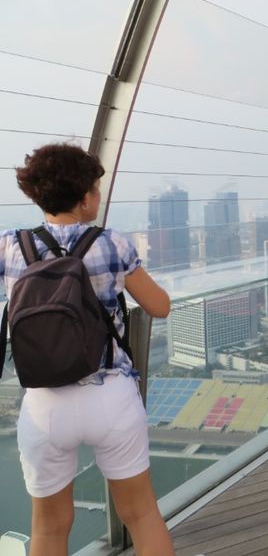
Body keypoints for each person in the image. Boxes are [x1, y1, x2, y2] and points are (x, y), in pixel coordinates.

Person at [2, 143, 173, 556]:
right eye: (96, 189)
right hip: (109, 394)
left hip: (44, 403)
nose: (99, 196)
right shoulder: (112, 244)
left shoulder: (10, 245)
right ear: (83, 199)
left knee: (48, 528)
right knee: (141, 514)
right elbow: (159, 306)